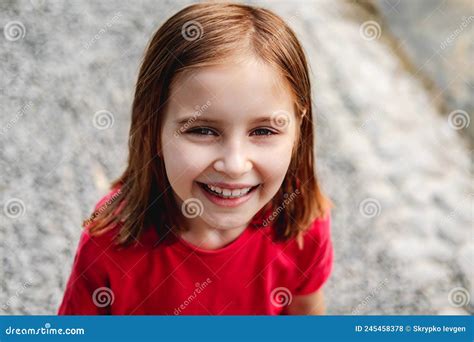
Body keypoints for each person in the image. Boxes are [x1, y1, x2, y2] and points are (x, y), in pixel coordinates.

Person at [58, 2, 334, 315]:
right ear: (153, 129)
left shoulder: (302, 224)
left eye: (263, 132)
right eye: (203, 130)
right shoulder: (110, 237)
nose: (233, 165)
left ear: (299, 129)